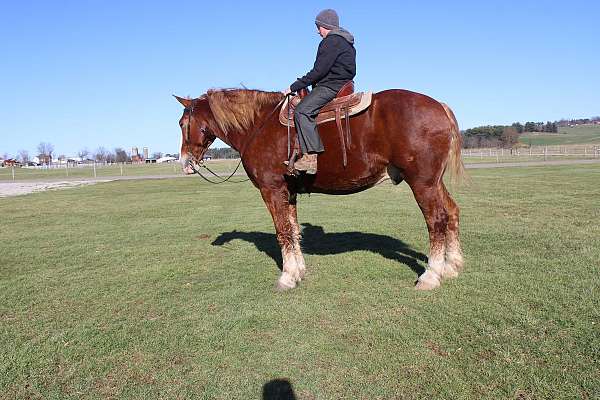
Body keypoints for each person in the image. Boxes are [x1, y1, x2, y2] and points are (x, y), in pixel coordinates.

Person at [283, 9, 356, 174]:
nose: (317, 31)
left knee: (302, 111)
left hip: (330, 86)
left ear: (326, 26)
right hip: (343, 84)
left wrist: (294, 86)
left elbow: (319, 71)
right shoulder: (347, 42)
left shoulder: (331, 41)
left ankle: (310, 158)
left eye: (319, 27)